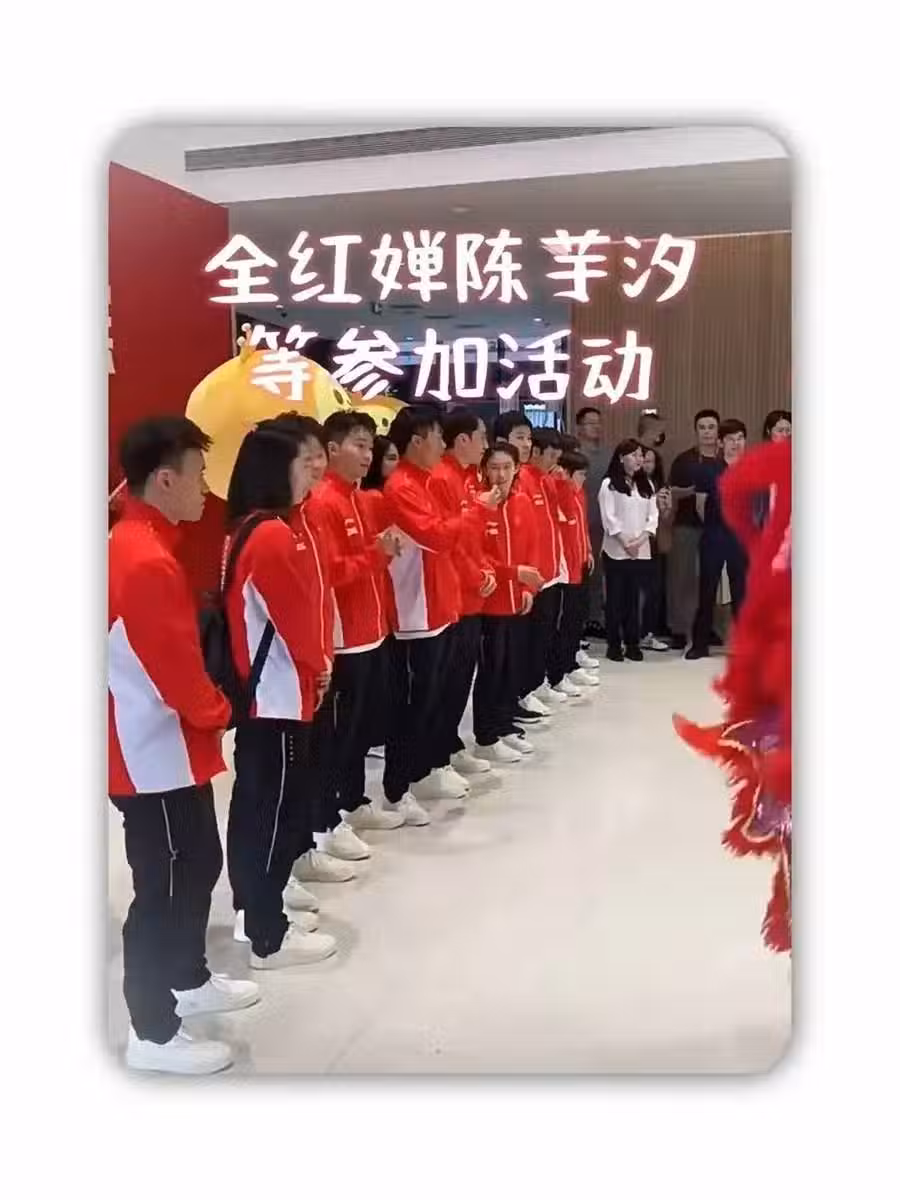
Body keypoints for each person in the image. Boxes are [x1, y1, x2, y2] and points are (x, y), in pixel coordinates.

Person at [109, 416, 257, 1076]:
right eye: (199, 475)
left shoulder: (144, 544)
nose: (206, 488)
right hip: (149, 752)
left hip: (166, 747)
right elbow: (174, 669)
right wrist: (220, 710)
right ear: (164, 480)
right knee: (165, 883)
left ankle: (187, 978)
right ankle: (152, 1030)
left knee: (196, 862)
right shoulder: (142, 558)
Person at [224, 424, 338, 969]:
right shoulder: (271, 534)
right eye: (303, 462)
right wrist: (319, 667)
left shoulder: (250, 526)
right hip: (278, 697)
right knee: (272, 811)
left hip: (270, 695)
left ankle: (258, 910)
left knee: (259, 805)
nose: (312, 471)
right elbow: (294, 618)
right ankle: (267, 934)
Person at [381, 404, 499, 822]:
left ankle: (427, 768)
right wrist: (474, 510)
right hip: (417, 610)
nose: (442, 444)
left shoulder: (426, 481)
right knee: (416, 703)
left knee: (435, 697)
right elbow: (439, 536)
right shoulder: (402, 487)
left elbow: (451, 535)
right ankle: (400, 785)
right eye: (436, 437)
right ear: (417, 441)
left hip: (439, 602)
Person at [305, 410, 408, 847]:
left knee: (359, 729)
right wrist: (377, 554)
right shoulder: (323, 501)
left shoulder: (360, 498)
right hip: (344, 638)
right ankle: (325, 821)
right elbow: (331, 572)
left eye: (370, 446)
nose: (368, 455)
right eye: (359, 445)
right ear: (332, 449)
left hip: (371, 630)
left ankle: (352, 800)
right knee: (337, 735)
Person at [429, 408, 497, 783]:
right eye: (481, 437)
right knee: (448, 683)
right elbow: (448, 542)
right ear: (462, 440)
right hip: (454, 592)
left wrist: (485, 569)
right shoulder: (442, 478)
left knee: (460, 680)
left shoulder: (468, 478)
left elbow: (474, 537)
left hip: (471, 590)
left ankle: (450, 747)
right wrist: (475, 574)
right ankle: (438, 756)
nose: (485, 445)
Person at [472, 441, 544, 762]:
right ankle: (486, 735)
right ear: (484, 470)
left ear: (517, 469)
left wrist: (528, 588)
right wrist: (511, 574)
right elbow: (477, 554)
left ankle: (504, 725)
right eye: (494, 468)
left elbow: (532, 546)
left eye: (506, 468)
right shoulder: (479, 504)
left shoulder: (522, 502)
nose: (500, 475)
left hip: (517, 598)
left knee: (509, 665)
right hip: (489, 601)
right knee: (491, 668)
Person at [509, 421, 573, 706]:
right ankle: (525, 688)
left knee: (546, 631)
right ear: (536, 453)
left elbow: (563, 516)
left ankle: (538, 681)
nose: (554, 462)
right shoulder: (522, 477)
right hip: (534, 572)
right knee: (531, 636)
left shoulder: (546, 479)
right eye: (551, 456)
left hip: (551, 567)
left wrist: (562, 483)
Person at [686, 418, 749, 659]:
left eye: (740, 438)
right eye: (731, 439)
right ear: (721, 443)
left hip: (741, 537)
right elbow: (700, 506)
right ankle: (700, 644)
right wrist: (716, 524)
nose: (736, 443)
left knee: (741, 592)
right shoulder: (708, 469)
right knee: (707, 590)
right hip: (714, 534)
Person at [599, 439, 659, 662]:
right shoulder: (609, 484)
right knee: (615, 599)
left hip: (640, 550)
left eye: (640, 455)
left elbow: (653, 517)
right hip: (616, 550)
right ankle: (614, 644)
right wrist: (626, 543)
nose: (638, 459)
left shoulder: (647, 485)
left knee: (634, 599)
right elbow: (609, 518)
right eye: (634, 455)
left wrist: (640, 540)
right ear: (621, 458)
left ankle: (633, 643)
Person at [666, 409, 721, 650]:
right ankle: (679, 628)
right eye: (702, 427)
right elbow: (672, 491)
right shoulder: (684, 460)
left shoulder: (724, 459)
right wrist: (694, 490)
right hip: (687, 525)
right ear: (696, 431)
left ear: (718, 430)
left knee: (711, 580)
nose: (707, 432)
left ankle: (706, 627)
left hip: (717, 528)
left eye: (711, 427)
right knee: (683, 579)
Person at [548, 448, 600, 691]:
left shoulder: (580, 493)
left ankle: (570, 664)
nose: (583, 479)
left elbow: (582, 525)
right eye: (580, 474)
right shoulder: (561, 493)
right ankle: (558, 672)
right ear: (566, 473)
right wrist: (562, 485)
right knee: (565, 621)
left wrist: (587, 550)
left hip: (580, 561)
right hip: (565, 568)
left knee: (577, 617)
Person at [575, 405, 611, 637]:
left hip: (602, 522)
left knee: (598, 572)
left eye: (598, 422)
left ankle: (595, 618)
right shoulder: (573, 455)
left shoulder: (608, 456)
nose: (595, 427)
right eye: (590, 423)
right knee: (578, 574)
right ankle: (577, 621)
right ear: (579, 427)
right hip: (577, 523)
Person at [638, 446, 672, 651]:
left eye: (650, 461)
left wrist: (664, 506)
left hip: (655, 543)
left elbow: (666, 519)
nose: (646, 465)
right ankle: (631, 632)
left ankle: (648, 633)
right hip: (635, 542)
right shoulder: (630, 485)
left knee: (654, 590)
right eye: (643, 460)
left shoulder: (661, 486)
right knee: (634, 591)